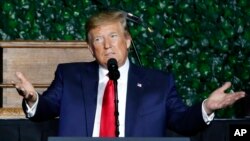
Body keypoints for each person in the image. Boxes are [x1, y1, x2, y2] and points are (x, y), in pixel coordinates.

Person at [12, 10, 245, 137]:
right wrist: (33, 99)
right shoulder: (69, 75)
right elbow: (46, 109)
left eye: (113, 36)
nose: (107, 45)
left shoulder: (159, 83)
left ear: (127, 40)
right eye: (98, 40)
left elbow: (182, 122)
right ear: (90, 48)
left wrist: (207, 107)